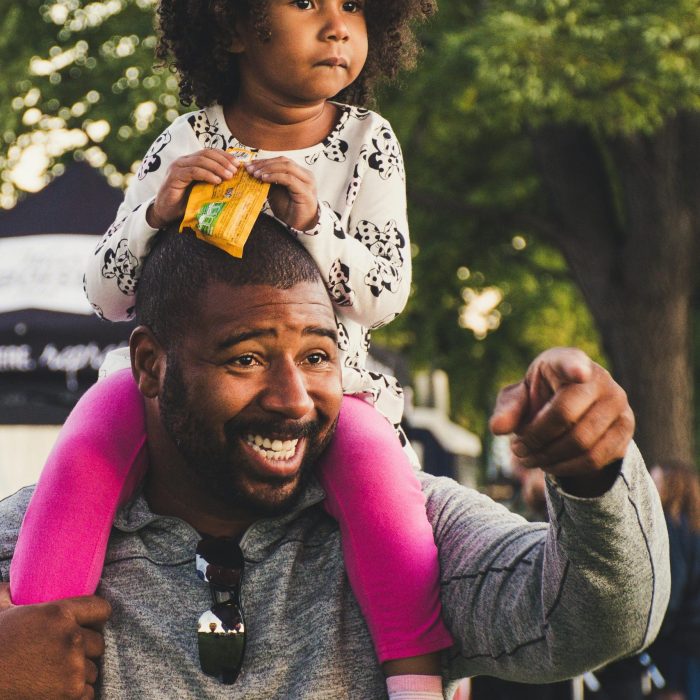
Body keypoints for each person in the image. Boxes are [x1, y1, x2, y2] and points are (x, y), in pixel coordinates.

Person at [0, 220, 670, 699]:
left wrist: (594, 479)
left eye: (318, 356)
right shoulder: (27, 543)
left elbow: (600, 619)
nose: (294, 400)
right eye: (247, 358)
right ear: (150, 364)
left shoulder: (418, 527)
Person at [10, 1, 453, 696]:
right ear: (235, 26)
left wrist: (314, 222)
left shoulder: (371, 141)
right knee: (81, 455)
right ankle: (41, 640)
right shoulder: (186, 139)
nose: (339, 25)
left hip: (326, 383)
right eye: (308, 3)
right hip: (176, 376)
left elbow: (385, 293)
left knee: (382, 484)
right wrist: (156, 214)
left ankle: (418, 678)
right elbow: (105, 295)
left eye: (357, 7)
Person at [647, 460, 700, 700]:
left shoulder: (670, 527)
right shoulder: (694, 528)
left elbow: (671, 590)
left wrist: (652, 630)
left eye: (654, 481)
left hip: (679, 642)